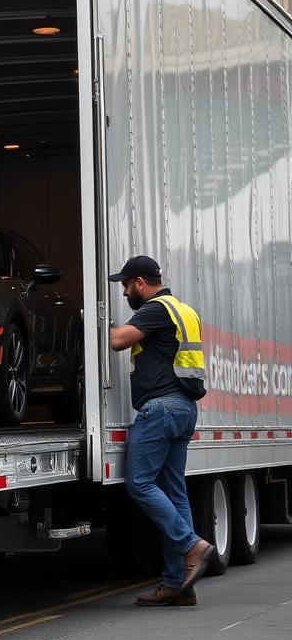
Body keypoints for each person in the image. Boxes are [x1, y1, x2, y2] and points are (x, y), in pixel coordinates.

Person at [108, 255, 214, 607]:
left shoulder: (156, 308)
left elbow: (119, 340)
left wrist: (93, 325)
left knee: (139, 483)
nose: (124, 293)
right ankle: (177, 585)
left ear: (140, 282)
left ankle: (191, 545)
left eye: (125, 285)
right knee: (175, 493)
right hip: (184, 408)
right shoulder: (185, 310)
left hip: (160, 408)